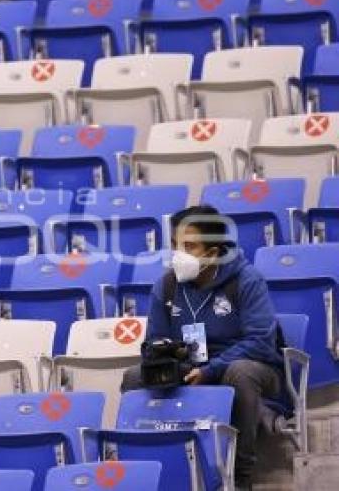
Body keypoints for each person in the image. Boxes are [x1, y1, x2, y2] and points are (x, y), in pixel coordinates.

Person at [121, 205, 285, 491]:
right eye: (174, 245)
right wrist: (166, 356)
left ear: (212, 252)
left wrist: (211, 370)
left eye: (189, 246)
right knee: (134, 376)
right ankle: (142, 469)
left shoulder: (247, 280)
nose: (178, 254)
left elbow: (260, 342)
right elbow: (152, 344)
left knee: (241, 372)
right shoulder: (167, 285)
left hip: (249, 368)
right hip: (190, 369)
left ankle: (240, 476)